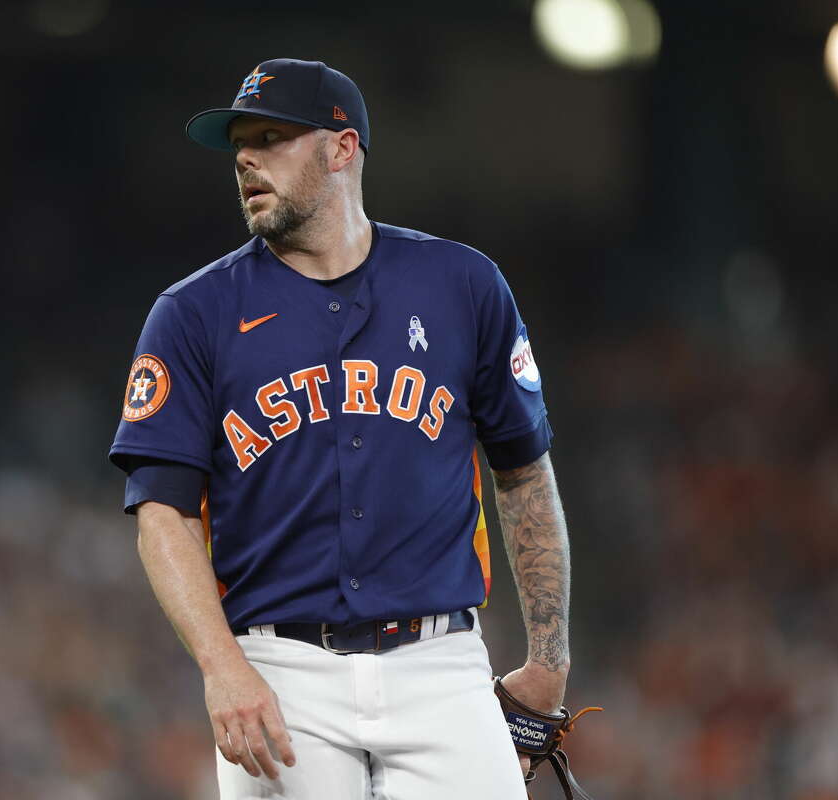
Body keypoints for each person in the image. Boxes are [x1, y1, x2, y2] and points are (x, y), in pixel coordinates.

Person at [109, 58, 575, 799]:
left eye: (270, 136)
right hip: (279, 674)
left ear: (341, 148)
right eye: (239, 144)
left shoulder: (461, 285)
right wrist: (221, 666)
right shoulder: (193, 314)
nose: (245, 158)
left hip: (439, 665)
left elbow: (523, 470)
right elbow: (161, 513)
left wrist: (548, 660)